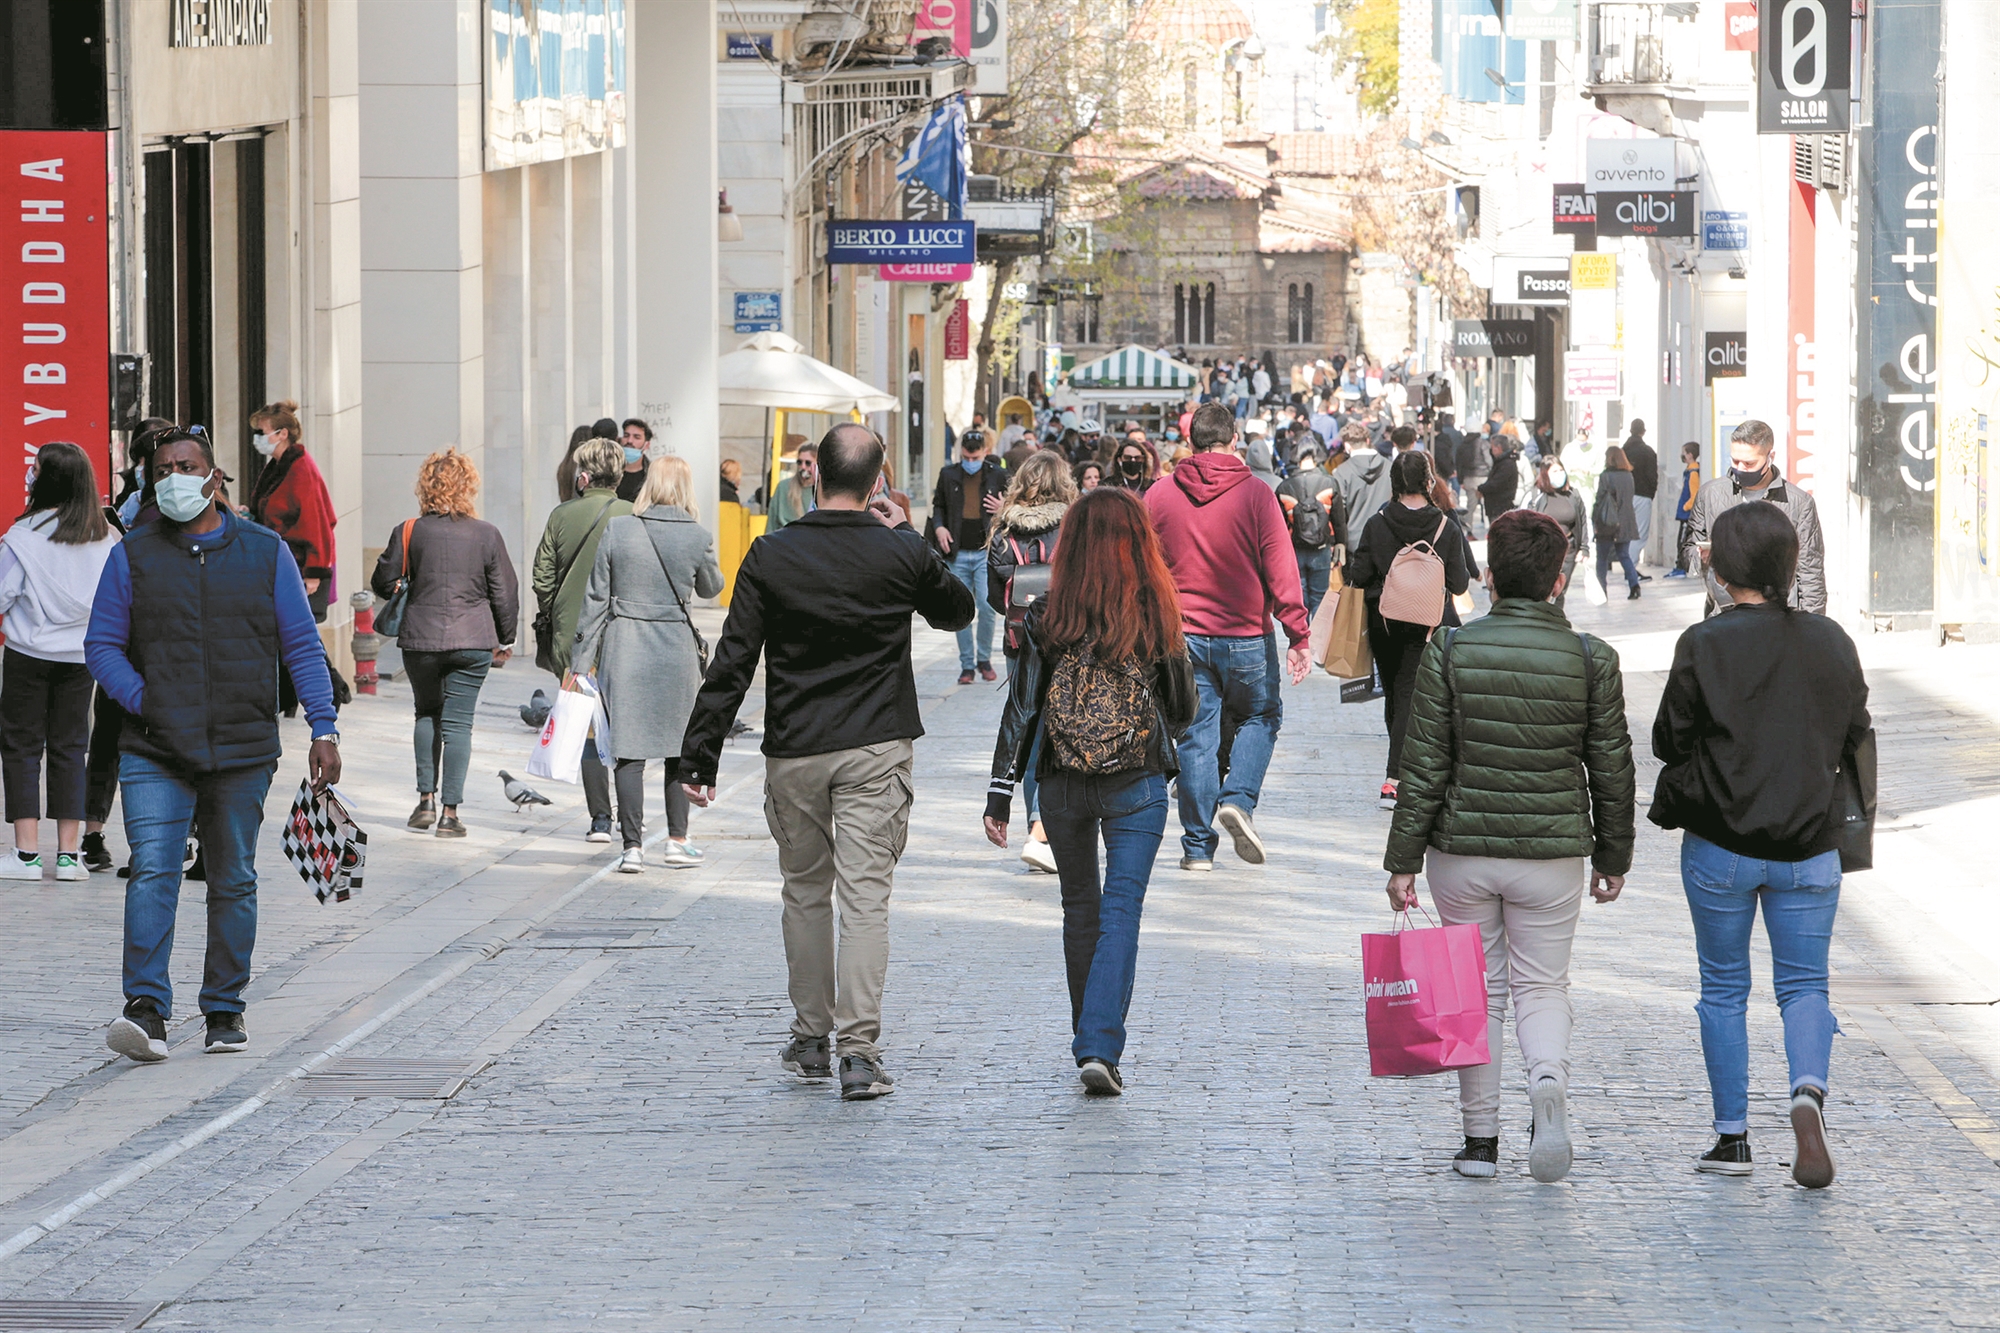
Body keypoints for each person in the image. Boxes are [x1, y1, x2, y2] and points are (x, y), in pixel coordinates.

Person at [678, 422, 974, 1102]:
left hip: (796, 747)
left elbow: (733, 661)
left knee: (805, 891)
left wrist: (701, 757)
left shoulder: (771, 552)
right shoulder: (898, 551)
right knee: (865, 896)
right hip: (875, 744)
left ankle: (812, 1035)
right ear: (876, 483)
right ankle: (859, 1052)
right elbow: (957, 611)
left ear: (813, 475)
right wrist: (911, 534)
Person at [1382, 509, 1634, 1182]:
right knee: (1543, 986)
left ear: (1489, 577)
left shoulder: (1451, 650)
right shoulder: (1591, 658)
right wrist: (1613, 855)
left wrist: (1402, 859)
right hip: (1551, 855)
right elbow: (1610, 767)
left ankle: (1481, 1143)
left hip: (1461, 850)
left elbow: (1424, 761)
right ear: (1559, 580)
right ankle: (1547, 1079)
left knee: (1479, 993)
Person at [89, 430, 340, 1062]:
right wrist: (148, 701)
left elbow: (303, 646)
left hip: (243, 747)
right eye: (164, 467)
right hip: (153, 748)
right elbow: (102, 647)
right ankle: (145, 1009)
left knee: (233, 879)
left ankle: (224, 1009)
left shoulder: (264, 551)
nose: (175, 475)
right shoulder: (134, 555)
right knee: (152, 871)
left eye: (187, 466)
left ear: (214, 476)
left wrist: (324, 725)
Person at [1648, 501, 1868, 1188]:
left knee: (1724, 987)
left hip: (1720, 842)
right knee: (1804, 984)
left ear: (1719, 567)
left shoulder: (1704, 643)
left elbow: (1666, 740)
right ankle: (1807, 1094)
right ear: (1790, 563)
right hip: (1811, 844)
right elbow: (1854, 728)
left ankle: (1733, 1136)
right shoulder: (1831, 640)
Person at [985, 488, 1197, 1095]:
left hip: (1061, 782)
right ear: (1140, 542)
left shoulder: (1048, 611)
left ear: (1071, 543)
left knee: (1079, 909)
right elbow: (1183, 705)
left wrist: (1001, 793)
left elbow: (1023, 707)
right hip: (1137, 781)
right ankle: (1100, 1044)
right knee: (1120, 910)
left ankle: (1090, 1041)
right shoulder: (1157, 610)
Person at [1147, 402, 1311, 870]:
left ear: (1191, 442)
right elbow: (1281, 567)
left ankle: (1197, 849)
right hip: (1246, 634)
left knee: (1197, 736)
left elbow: (1140, 561)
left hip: (1182, 636)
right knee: (1260, 716)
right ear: (1234, 440)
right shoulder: (1257, 495)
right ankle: (1238, 798)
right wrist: (1297, 632)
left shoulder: (1160, 495)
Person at [572, 455, 722, 873]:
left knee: (628, 751)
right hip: (675, 651)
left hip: (625, 648)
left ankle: (632, 848)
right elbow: (711, 587)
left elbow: (595, 599)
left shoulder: (619, 529)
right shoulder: (697, 535)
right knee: (678, 750)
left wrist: (581, 660)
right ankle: (677, 841)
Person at [371, 448, 518, 839]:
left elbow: (382, 582)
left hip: (420, 639)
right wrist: (506, 637)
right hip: (472, 641)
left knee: (425, 713)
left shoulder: (409, 530)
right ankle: (450, 815)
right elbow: (504, 591)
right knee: (459, 724)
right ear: (468, 486)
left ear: (425, 486)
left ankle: (425, 800)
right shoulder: (487, 534)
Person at [0, 441, 121, 881]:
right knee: (72, 748)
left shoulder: (23, 538)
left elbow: (2, 593)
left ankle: (27, 855)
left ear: (46, 481)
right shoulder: (106, 538)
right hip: (82, 657)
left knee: (21, 747)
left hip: (27, 655)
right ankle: (70, 857)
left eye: (35, 469)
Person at [1346, 452, 1474, 809]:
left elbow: (1358, 575)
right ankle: (1398, 777)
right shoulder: (1445, 526)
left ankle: (1395, 777)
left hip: (1383, 623)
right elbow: (1460, 581)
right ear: (1428, 481)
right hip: (1428, 625)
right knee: (1408, 696)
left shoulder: (1378, 522)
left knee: (1396, 694)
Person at [531, 438, 632, 843]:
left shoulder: (561, 516)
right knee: (624, 726)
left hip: (571, 641)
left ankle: (600, 819)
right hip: (623, 636)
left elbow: (542, 579)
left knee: (587, 726)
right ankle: (631, 813)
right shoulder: (632, 516)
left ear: (583, 477)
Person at [985, 452, 1078, 875]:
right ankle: (1046, 831)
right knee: (1058, 733)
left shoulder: (1003, 531)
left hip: (1019, 639)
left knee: (1026, 726)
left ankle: (1036, 825)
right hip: (1066, 639)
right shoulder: (1075, 529)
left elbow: (991, 596)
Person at [1683, 419, 1826, 615]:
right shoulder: (1710, 494)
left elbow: (1811, 572)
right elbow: (1688, 554)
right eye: (1734, 461)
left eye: (1750, 463)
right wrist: (1703, 557)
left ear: (1770, 457)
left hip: (1781, 618)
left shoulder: (1799, 503)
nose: (1740, 468)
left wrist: (1812, 628)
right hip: (1724, 616)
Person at [928, 428, 1007, 684]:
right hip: (957, 551)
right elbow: (937, 504)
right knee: (961, 608)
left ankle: (984, 659)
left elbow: (1017, 505)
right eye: (966, 458)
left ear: (985, 452)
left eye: (975, 458)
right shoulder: (948, 473)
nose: (970, 463)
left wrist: (1004, 508)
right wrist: (939, 527)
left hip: (986, 552)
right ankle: (967, 665)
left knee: (987, 606)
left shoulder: (998, 475)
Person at [247, 401, 337, 623]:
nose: (257, 437)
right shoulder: (279, 467)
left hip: (301, 566)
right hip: (284, 561)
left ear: (282, 434)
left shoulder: (300, 471)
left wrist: (314, 573)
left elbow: (316, 523)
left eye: (262, 432)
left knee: (297, 632)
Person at [1275, 440, 1346, 620]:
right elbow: (1339, 520)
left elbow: (1279, 525)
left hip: (1295, 549)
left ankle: (1302, 639)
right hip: (1321, 550)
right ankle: (1318, 642)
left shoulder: (1285, 486)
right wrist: (1341, 544)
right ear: (1316, 456)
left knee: (1301, 599)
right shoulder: (1329, 482)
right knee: (1320, 598)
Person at [1527, 459, 1588, 615]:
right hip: (1543, 550)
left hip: (1568, 549)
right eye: (1554, 471)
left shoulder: (1572, 495)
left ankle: (1555, 621)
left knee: (1559, 589)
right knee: (1543, 588)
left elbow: (1582, 520)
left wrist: (1584, 548)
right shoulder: (1536, 495)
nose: (1559, 475)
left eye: (1561, 470)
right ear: (1545, 474)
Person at [1594, 446, 1641, 601]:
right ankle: (1634, 586)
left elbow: (1600, 499)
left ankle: (1602, 589)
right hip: (1626, 521)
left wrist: (1595, 520)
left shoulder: (1606, 476)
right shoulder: (1629, 476)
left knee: (1601, 558)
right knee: (1624, 555)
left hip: (1608, 521)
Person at [1332, 421, 1392, 541]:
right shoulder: (1389, 467)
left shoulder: (1342, 472)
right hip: (1386, 537)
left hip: (1354, 539)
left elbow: (1339, 513)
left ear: (1347, 446)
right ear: (1368, 441)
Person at [1623, 419, 1657, 577]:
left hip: (1626, 496)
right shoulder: (1648, 452)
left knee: (1629, 534)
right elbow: (1652, 477)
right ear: (1643, 431)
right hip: (1643, 495)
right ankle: (1630, 570)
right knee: (1639, 534)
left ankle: (1629, 567)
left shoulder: (1623, 450)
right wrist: (1651, 495)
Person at [1667, 441, 1700, 578]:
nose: (1682, 455)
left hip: (1687, 514)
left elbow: (1694, 495)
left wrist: (1685, 506)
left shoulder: (1693, 473)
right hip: (1684, 514)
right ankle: (1679, 565)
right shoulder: (1688, 471)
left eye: (1684, 453)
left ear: (1690, 455)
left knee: (1683, 542)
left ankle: (1682, 567)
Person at [767, 442, 817, 531]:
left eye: (808, 463)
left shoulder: (824, 491)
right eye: (799, 462)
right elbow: (771, 522)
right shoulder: (783, 488)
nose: (803, 467)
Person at [1476, 431, 1521, 527]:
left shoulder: (1507, 464)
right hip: (1495, 506)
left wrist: (1481, 488)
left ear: (1499, 448)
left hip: (1501, 506)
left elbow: (1496, 483)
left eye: (1492, 447)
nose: (1491, 450)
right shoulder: (1500, 462)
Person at [617, 418, 654, 503]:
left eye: (636, 437)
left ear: (646, 445)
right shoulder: (609, 470)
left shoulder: (653, 474)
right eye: (626, 436)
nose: (629, 441)